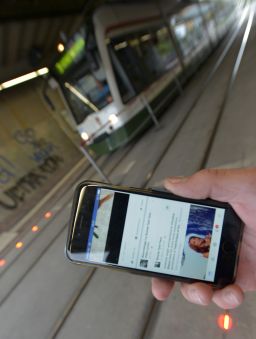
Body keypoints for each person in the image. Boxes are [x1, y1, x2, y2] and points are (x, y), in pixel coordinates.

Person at [151, 168, 256, 309]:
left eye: (195, 238)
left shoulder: (209, 237)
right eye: (194, 242)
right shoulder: (206, 254)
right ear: (195, 248)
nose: (197, 240)